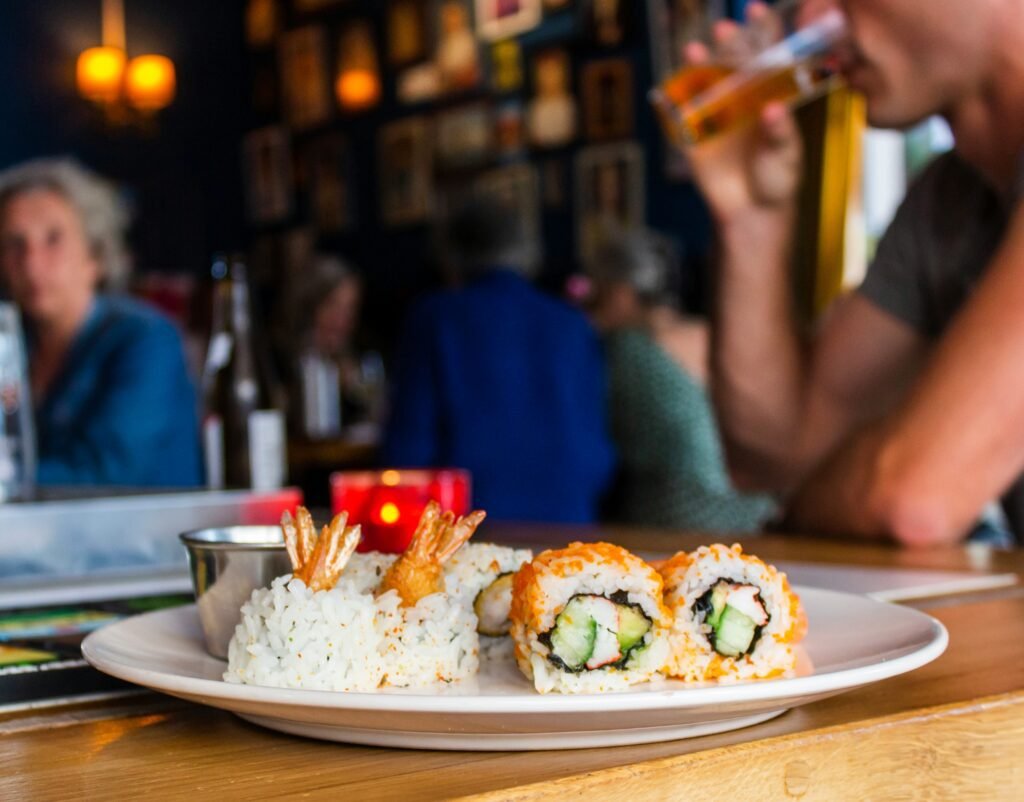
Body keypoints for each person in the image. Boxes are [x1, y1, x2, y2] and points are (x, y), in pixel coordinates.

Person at [684, 0, 1024, 545]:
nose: (809, 18)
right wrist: (752, 219)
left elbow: (911, 500)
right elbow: (776, 455)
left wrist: (797, 516)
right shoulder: (948, 200)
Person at [382, 195, 615, 523]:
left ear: (452, 253)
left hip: (468, 533)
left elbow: (408, 453)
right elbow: (594, 449)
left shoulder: (435, 318)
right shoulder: (573, 322)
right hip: (570, 525)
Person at [0, 158, 202, 488]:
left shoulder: (146, 339)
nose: (32, 263)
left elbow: (108, 471)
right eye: (14, 243)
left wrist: (8, 479)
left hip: (146, 537)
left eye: (53, 239)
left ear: (94, 254)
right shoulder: (14, 345)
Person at [588, 230, 775, 532]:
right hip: (754, 514)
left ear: (619, 294)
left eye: (595, 294)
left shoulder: (627, 349)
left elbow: (603, 446)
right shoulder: (711, 334)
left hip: (679, 517)